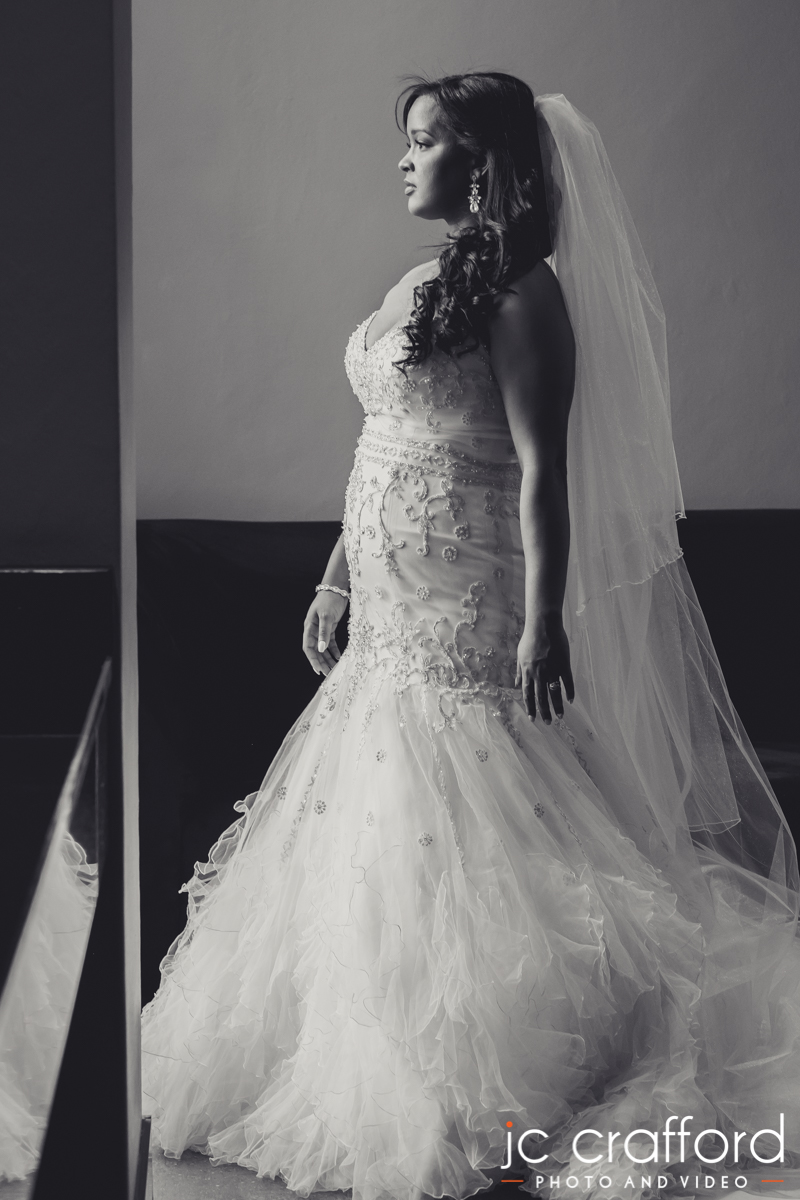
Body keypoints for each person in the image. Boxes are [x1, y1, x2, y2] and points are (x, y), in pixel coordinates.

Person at [141, 73, 800, 1200]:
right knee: (370, 804)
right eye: (406, 142)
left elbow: (543, 474)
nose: (403, 161)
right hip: (385, 608)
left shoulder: (529, 295)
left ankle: (488, 1067)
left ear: (483, 163)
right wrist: (335, 579)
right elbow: (384, 442)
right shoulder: (418, 280)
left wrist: (543, 623)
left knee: (470, 793)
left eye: (424, 141)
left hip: (469, 602)